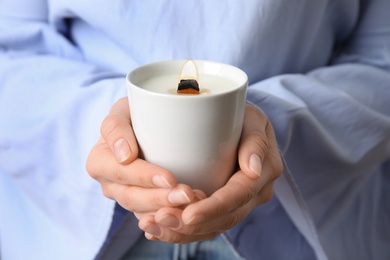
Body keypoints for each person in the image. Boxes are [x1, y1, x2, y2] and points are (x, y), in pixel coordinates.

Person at [0, 0, 389, 259]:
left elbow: (381, 58)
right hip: (75, 229)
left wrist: (273, 123)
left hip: (301, 227)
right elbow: (10, 48)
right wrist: (112, 132)